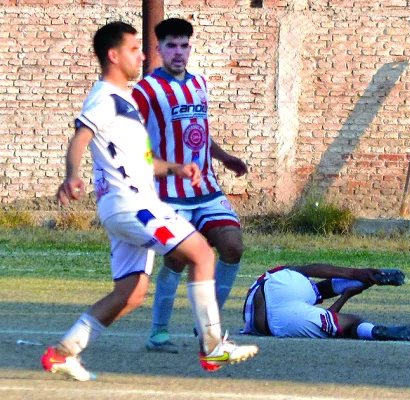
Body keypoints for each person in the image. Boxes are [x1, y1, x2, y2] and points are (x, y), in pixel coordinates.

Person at [40, 21, 258, 381]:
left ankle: (64, 352)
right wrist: (71, 175)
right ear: (114, 55)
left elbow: (140, 159)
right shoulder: (106, 97)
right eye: (133, 49)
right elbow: (81, 135)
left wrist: (174, 168)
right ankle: (213, 346)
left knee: (131, 292)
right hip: (132, 203)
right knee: (202, 253)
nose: (142, 55)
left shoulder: (124, 99)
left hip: (123, 204)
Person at [131, 18, 249, 354]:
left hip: (207, 190)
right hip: (169, 195)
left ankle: (206, 324)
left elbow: (199, 132)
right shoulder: (146, 91)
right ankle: (158, 333)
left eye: (184, 45)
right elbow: (131, 137)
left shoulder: (199, 83)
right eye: (171, 46)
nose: (179, 52)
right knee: (178, 260)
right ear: (158, 49)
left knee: (233, 247)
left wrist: (224, 158)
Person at [240, 264, 410, 341]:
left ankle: (372, 329)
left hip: (269, 307)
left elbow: (329, 318)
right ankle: (363, 280)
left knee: (347, 323)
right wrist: (350, 285)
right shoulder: (304, 296)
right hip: (282, 296)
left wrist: (349, 288)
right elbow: (312, 270)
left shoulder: (300, 300)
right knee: (347, 318)